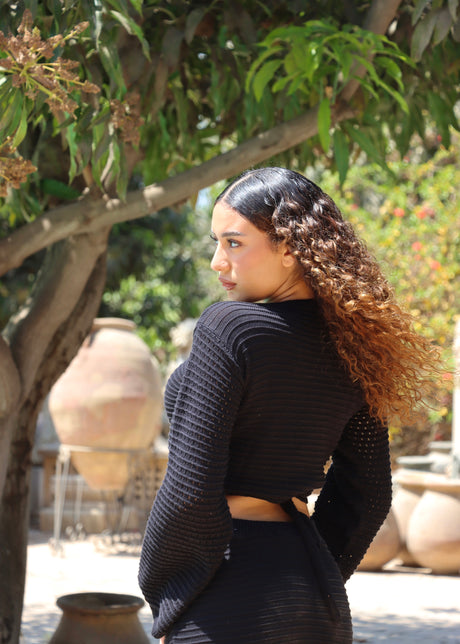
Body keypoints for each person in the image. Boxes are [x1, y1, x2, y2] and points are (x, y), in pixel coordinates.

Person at [138, 167, 437, 643]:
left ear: (289, 247)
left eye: (234, 243)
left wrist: (166, 593)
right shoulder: (353, 348)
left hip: (224, 596)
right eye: (216, 243)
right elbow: (370, 493)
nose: (217, 262)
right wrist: (319, 570)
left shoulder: (229, 328)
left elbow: (190, 490)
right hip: (312, 592)